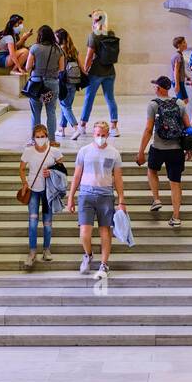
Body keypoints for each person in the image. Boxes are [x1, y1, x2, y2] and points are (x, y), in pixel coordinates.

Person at [66, 118, 126, 276]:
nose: (101, 137)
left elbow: (118, 178)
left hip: (106, 194)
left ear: (108, 135)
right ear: (93, 133)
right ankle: (88, 254)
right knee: (84, 232)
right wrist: (71, 197)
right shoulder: (84, 151)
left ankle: (104, 263)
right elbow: (77, 175)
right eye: (98, 134)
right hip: (86, 194)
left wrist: (121, 200)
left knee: (105, 231)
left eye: (104, 134)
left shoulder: (114, 153)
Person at [137, 76, 190, 229]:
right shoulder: (179, 103)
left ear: (159, 88)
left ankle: (156, 199)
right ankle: (176, 216)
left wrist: (141, 151)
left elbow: (148, 129)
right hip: (176, 150)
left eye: (155, 86)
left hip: (158, 147)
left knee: (152, 170)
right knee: (175, 183)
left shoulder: (153, 105)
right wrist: (188, 148)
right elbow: (188, 127)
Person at [19, 125, 63, 270]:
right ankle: (32, 252)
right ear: (33, 138)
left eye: (42, 136)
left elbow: (62, 169)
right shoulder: (28, 151)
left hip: (47, 191)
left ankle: (46, 249)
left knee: (47, 223)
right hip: (33, 189)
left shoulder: (54, 151)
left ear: (47, 136)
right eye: (37, 137)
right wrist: (24, 183)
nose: (40, 139)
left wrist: (51, 172)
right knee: (32, 222)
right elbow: (22, 168)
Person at [80, 11, 120, 138]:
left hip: (96, 72)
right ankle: (114, 127)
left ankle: (82, 125)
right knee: (110, 98)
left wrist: (85, 70)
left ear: (96, 21)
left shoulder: (93, 35)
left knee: (89, 98)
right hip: (110, 71)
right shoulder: (111, 33)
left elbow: (89, 55)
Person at [24, 25, 64, 143]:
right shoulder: (58, 49)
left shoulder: (34, 48)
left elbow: (28, 67)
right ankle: (51, 140)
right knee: (51, 112)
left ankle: (35, 140)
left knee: (35, 113)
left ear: (39, 36)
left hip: (36, 83)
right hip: (52, 83)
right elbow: (61, 69)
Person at [55, 28, 83, 138]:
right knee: (66, 106)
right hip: (74, 81)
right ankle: (61, 129)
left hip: (63, 82)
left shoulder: (59, 51)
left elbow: (59, 68)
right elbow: (81, 66)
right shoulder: (74, 49)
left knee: (65, 106)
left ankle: (76, 128)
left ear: (59, 38)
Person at [171, 35, 189, 103]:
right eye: (184, 42)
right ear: (179, 45)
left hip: (180, 81)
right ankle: (175, 113)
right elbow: (176, 71)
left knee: (185, 100)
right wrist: (177, 84)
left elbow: (181, 70)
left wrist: (187, 77)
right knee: (181, 101)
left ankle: (180, 113)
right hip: (178, 82)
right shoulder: (178, 56)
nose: (186, 44)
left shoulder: (180, 55)